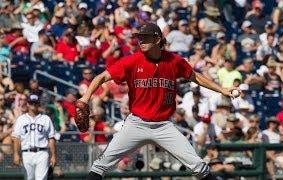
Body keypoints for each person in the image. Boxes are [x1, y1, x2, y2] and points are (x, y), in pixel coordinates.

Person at [78, 23, 239, 180]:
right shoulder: (132, 60)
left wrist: (222, 90)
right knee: (100, 165)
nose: (140, 41)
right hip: (136, 123)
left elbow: (195, 77)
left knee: (198, 166)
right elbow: (101, 77)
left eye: (145, 38)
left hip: (164, 126)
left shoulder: (174, 61)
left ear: (157, 40)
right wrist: (85, 98)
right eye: (139, 38)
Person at [11, 94, 57, 180]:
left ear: (38, 104)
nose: (33, 105)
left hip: (42, 153)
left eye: (35, 103)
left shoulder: (46, 118)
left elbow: (51, 138)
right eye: (31, 103)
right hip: (26, 153)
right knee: (28, 178)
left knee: (41, 178)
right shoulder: (21, 119)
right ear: (27, 104)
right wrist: (16, 154)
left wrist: (54, 155)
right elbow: (16, 138)